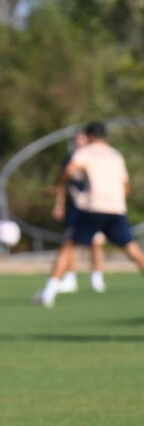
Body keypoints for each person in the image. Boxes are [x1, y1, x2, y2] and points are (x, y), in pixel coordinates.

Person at [34, 121, 144, 308]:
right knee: (134, 252)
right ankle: (89, 281)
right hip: (116, 209)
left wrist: (58, 184)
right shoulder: (116, 155)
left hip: (93, 207)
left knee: (68, 247)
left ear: (90, 136)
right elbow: (126, 188)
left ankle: (48, 293)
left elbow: (68, 171)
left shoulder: (85, 152)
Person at [44, 129, 107, 298]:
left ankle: (97, 277)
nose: (78, 141)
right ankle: (70, 278)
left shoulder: (95, 158)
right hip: (74, 207)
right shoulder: (69, 159)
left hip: (93, 206)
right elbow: (62, 185)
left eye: (81, 138)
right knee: (69, 242)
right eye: (76, 138)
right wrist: (59, 205)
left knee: (96, 242)